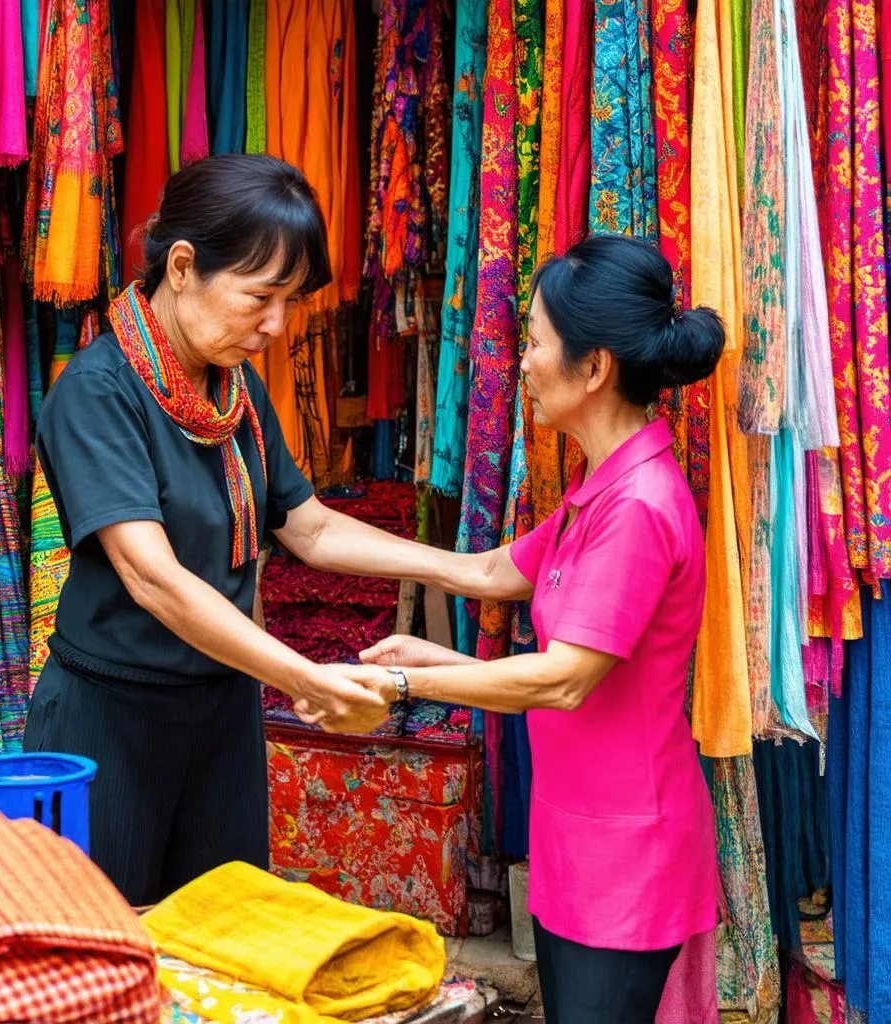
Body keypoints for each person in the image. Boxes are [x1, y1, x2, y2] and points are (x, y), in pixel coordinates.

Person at [305, 236, 725, 1023]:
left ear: (594, 367)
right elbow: (495, 572)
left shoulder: (637, 506)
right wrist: (321, 535)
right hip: (578, 842)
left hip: (628, 854)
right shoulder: (599, 490)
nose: (523, 363)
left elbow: (561, 679)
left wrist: (407, 683)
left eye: (534, 343)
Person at [24, 154, 397, 907]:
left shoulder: (233, 386)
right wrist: (301, 677)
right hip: (111, 722)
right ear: (185, 266)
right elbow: (154, 579)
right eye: (260, 297)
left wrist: (475, 569)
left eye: (288, 301)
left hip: (222, 711)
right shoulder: (97, 392)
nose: (276, 325)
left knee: (225, 944)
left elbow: (309, 527)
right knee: (110, 952)